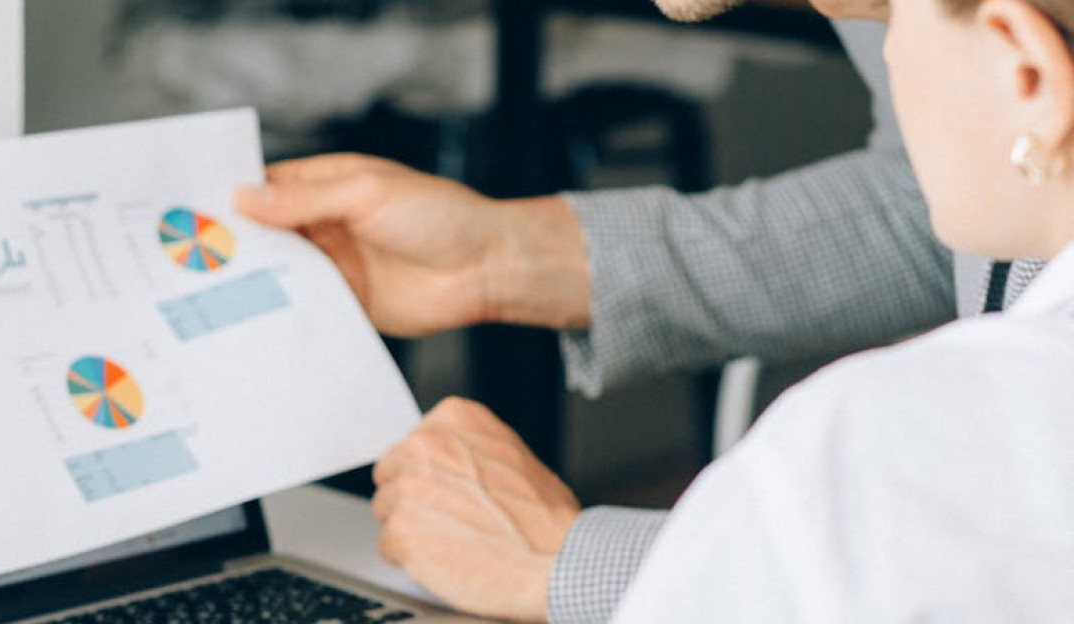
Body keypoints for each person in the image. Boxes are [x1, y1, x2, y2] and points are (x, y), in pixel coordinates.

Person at [234, 2, 1059, 623]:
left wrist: (578, 562)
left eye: (894, 27)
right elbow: (993, 189)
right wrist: (505, 254)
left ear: (1022, 64)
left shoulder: (880, 445)